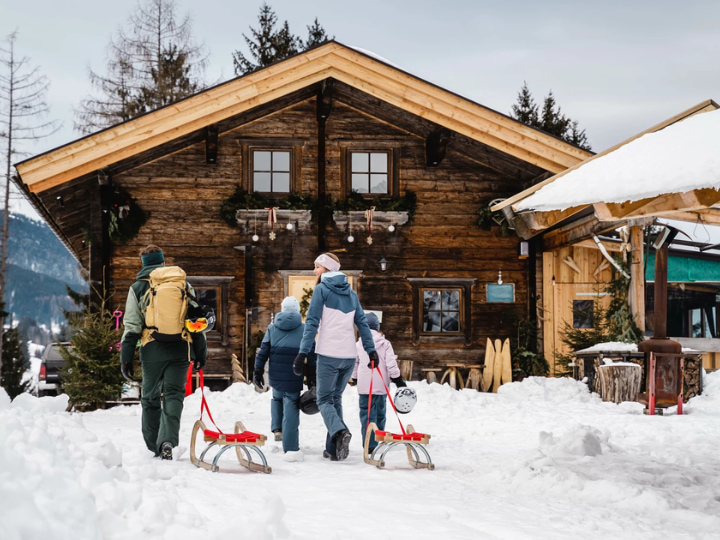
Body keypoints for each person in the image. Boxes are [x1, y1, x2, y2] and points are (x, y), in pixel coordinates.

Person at [120, 245, 207, 460]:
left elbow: (131, 326)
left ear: (143, 264)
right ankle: (168, 441)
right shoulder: (183, 284)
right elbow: (195, 322)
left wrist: (126, 358)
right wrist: (200, 352)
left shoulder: (137, 288)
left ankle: (153, 446)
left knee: (150, 398)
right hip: (181, 349)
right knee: (174, 396)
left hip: (152, 351)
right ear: (162, 262)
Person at [294, 253, 378, 461]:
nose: (314, 271)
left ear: (327, 269)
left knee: (323, 400)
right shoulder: (351, 294)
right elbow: (363, 324)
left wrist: (303, 352)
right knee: (335, 399)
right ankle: (333, 450)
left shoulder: (321, 290)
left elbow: (312, 322)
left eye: (317, 267)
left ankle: (340, 431)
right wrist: (371, 350)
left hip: (329, 355)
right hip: (349, 356)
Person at [254, 296, 316, 453]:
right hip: (294, 375)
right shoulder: (304, 329)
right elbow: (312, 355)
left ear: (282, 309)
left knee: (277, 398)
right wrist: (312, 377)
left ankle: (277, 429)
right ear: (297, 311)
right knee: (291, 407)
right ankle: (290, 446)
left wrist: (258, 371)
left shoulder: (272, 328)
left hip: (276, 375)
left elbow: (263, 352)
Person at [352, 312, 406, 453]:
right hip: (381, 386)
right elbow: (391, 364)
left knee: (366, 415)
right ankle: (379, 441)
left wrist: (356, 378)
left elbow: (355, 364)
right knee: (380, 414)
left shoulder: (359, 344)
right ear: (377, 327)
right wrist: (398, 380)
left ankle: (368, 445)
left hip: (364, 388)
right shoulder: (385, 343)